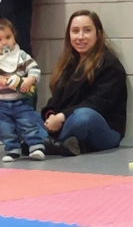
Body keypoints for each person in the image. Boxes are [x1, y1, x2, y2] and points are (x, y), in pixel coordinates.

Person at [42, 10, 127, 155]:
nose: (80, 37)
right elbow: (55, 100)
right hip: (64, 124)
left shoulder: (110, 65)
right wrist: (50, 116)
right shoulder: (68, 64)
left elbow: (97, 104)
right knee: (25, 116)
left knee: (84, 117)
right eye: (75, 31)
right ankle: (58, 144)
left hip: (101, 129)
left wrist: (61, 117)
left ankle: (44, 143)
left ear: (98, 34)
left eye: (87, 31)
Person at [0, 18, 46, 162]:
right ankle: (12, 149)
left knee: (28, 124)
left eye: (8, 37)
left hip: (21, 101)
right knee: (4, 127)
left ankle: (36, 146)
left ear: (14, 37)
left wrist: (29, 79)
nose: (4, 42)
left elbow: (34, 69)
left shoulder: (21, 56)